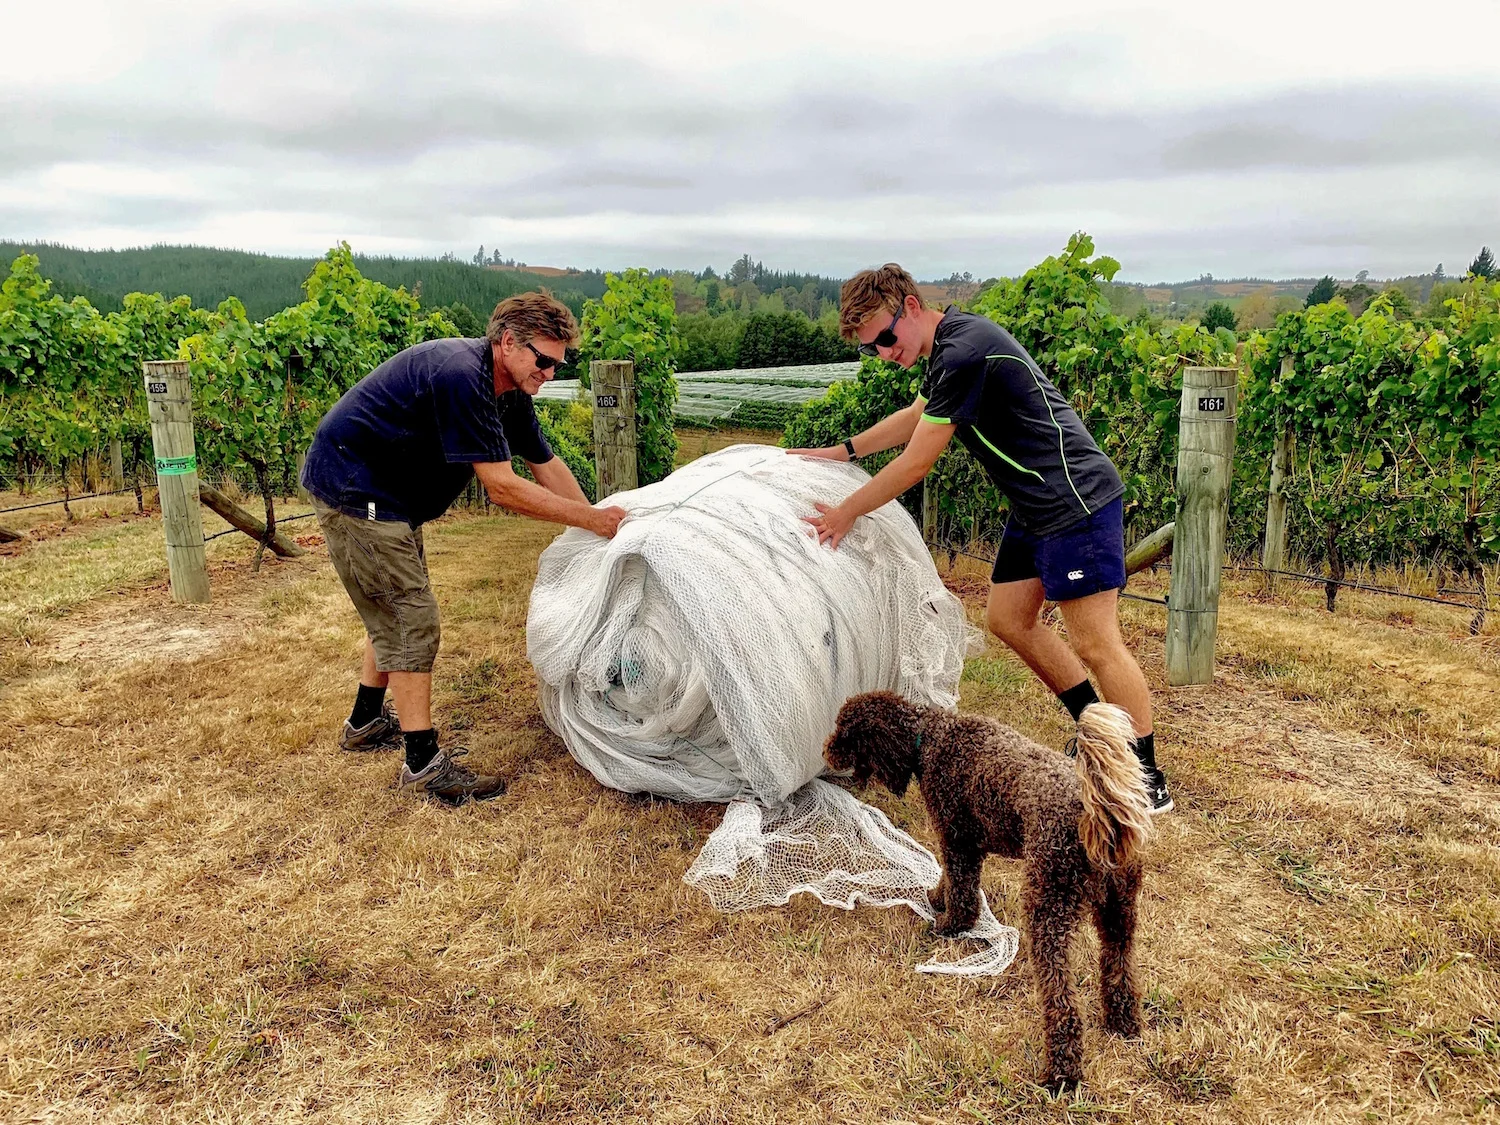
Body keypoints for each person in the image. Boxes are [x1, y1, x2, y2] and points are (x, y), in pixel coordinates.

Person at [790, 264, 1171, 813]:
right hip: (1036, 505)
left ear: (911, 307)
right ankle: (1099, 731)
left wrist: (847, 511)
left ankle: (1144, 774)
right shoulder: (949, 348)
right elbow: (916, 418)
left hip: (1073, 500)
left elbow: (917, 461)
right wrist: (842, 452)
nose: (884, 353)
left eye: (886, 338)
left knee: (1095, 641)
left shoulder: (964, 351)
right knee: (1009, 619)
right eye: (871, 349)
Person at [301, 291, 626, 806]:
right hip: (357, 493)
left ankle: (364, 722)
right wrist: (593, 521)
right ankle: (422, 765)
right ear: (507, 342)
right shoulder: (461, 375)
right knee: (410, 618)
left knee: (394, 610)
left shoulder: (511, 392)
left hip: (392, 499)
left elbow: (545, 464)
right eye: (543, 360)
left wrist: (599, 525)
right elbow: (503, 487)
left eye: (558, 365)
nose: (550, 373)